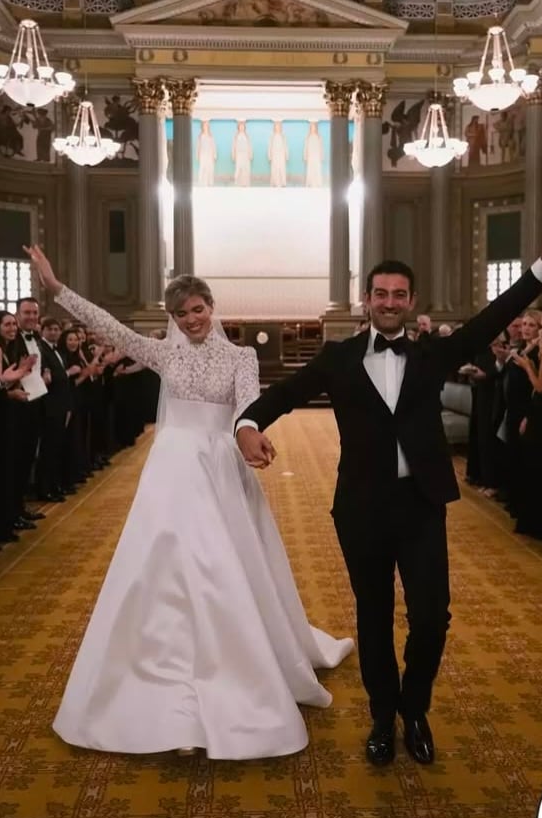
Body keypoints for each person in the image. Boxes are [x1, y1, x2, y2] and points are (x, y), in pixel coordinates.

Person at [236, 209, 542, 767]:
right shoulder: (339, 359)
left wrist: (541, 269)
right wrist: (246, 426)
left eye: (399, 294)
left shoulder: (432, 353)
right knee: (373, 614)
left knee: (431, 615)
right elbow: (284, 394)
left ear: (410, 301)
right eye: (381, 294)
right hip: (361, 506)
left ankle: (414, 708)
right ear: (367, 299)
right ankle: (381, 713)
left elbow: (492, 319)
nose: (390, 302)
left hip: (420, 504)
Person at [23, 245, 353, 760]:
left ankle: (238, 667)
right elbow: (110, 328)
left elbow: (247, 406)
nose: (192, 319)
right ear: (173, 318)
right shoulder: (164, 352)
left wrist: (250, 434)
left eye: (198, 308)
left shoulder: (241, 357)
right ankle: (159, 669)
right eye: (182, 313)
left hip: (220, 467)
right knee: (160, 565)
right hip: (170, 474)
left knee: (222, 567)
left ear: (211, 307)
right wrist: (58, 289)